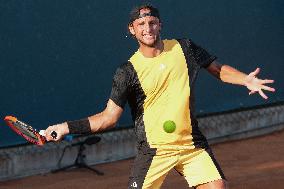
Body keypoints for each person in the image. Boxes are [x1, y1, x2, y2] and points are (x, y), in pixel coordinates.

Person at [45, 4, 275, 189]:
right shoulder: (127, 71)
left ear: (160, 25)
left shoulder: (185, 48)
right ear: (131, 29)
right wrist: (66, 127)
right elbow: (108, 118)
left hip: (191, 145)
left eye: (152, 22)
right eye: (141, 24)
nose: (148, 28)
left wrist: (246, 79)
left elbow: (217, 69)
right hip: (155, 150)